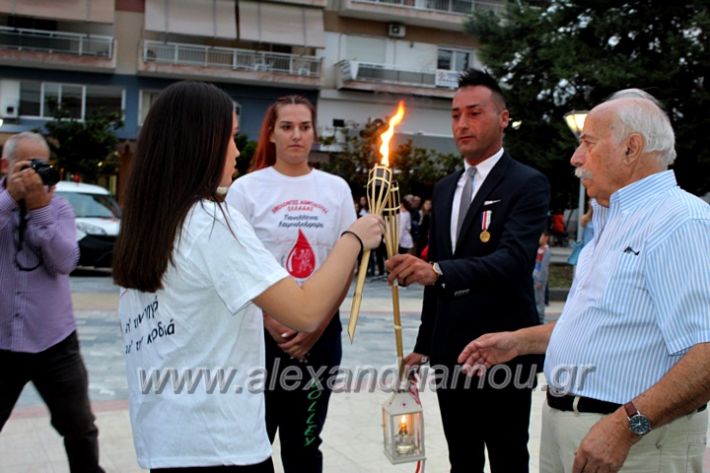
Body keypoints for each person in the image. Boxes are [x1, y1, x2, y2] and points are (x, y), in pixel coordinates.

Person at [112, 81, 383, 472]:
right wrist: (353, 238)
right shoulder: (210, 222)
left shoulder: (152, 223)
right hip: (219, 444)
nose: (238, 150)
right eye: (230, 137)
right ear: (199, 143)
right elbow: (304, 310)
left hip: (167, 440)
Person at [458, 93, 710, 473]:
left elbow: (705, 354)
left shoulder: (680, 221)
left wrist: (626, 427)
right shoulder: (612, 221)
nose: (576, 158)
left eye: (587, 143)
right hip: (576, 433)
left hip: (635, 444)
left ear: (632, 148)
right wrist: (519, 341)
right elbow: (609, 324)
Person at [385, 68, 550, 473]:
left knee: (509, 455)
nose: (462, 124)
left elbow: (513, 261)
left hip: (504, 348)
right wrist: (425, 342)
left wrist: (436, 271)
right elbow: (435, 271)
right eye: (456, 115)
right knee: (462, 456)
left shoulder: (527, 183)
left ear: (503, 117)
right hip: (449, 351)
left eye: (474, 113)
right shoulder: (445, 188)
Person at [226, 95, 355, 473]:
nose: (296, 135)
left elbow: (344, 266)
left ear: (314, 133)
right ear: (271, 133)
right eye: (286, 127)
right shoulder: (246, 190)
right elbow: (234, 265)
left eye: (304, 126)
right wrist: (271, 320)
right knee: (254, 444)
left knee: (304, 447)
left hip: (319, 339)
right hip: (258, 340)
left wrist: (315, 324)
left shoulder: (336, 190)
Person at [0, 132, 105, 472]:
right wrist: (10, 201)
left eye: (41, 166)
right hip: (1, 341)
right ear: (5, 166)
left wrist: (39, 210)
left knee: (80, 428)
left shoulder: (59, 207)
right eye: (25, 166)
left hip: (54, 342)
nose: (33, 174)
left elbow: (64, 262)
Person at [533, 230, 551, 323]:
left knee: (540, 298)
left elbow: (544, 267)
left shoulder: (547, 251)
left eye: (542, 236)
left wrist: (540, 280)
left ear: (546, 238)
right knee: (535, 297)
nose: (540, 238)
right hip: (535, 274)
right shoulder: (539, 248)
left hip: (540, 278)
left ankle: (541, 318)